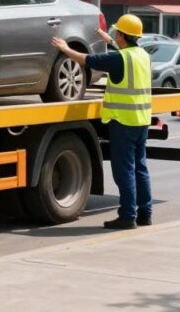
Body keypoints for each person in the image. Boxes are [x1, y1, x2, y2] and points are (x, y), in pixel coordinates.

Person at [53, 14, 152, 230]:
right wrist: (107, 38)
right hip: (141, 120)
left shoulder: (119, 59)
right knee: (140, 168)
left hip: (123, 122)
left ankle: (127, 216)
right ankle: (145, 213)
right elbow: (121, 51)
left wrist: (65, 48)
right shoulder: (141, 54)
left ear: (124, 36)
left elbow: (86, 60)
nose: (115, 34)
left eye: (118, 32)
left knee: (124, 170)